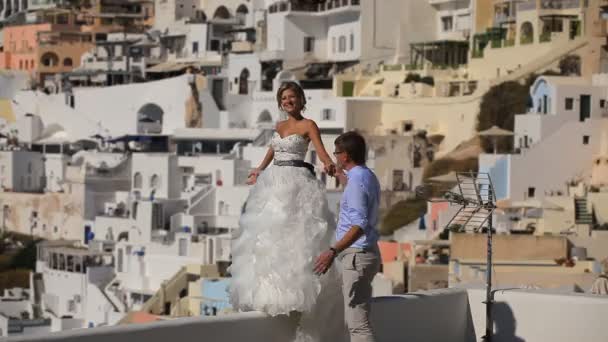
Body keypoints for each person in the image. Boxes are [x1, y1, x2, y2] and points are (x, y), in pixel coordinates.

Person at [229, 81, 344, 342]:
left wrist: (329, 165)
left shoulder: (308, 125)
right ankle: (271, 295)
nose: (288, 101)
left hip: (296, 182)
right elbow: (273, 149)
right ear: (280, 102)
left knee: (296, 236)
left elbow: (321, 152)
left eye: (292, 97)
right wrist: (259, 168)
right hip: (273, 182)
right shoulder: (278, 127)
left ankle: (296, 295)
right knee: (269, 237)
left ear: (301, 100)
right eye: (284, 98)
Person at [314, 131, 381, 342]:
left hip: (356, 256)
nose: (334, 157)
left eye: (336, 153)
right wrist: (340, 176)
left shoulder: (357, 181)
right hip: (364, 253)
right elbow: (355, 190)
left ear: (345, 155)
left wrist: (333, 251)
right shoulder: (365, 175)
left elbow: (359, 224)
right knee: (357, 322)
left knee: (358, 326)